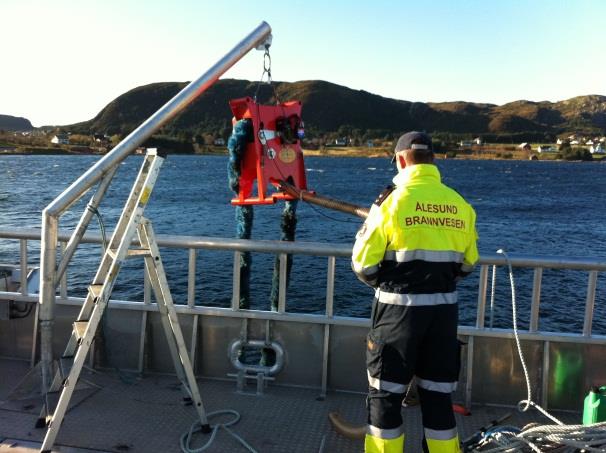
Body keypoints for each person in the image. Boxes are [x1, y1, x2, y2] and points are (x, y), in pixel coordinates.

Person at [352, 131, 479, 453]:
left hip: (397, 316)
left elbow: (362, 265)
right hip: (443, 315)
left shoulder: (390, 202)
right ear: (433, 160)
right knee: (438, 398)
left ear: (401, 159)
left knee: (385, 397)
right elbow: (468, 264)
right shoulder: (459, 204)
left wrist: (390, 284)